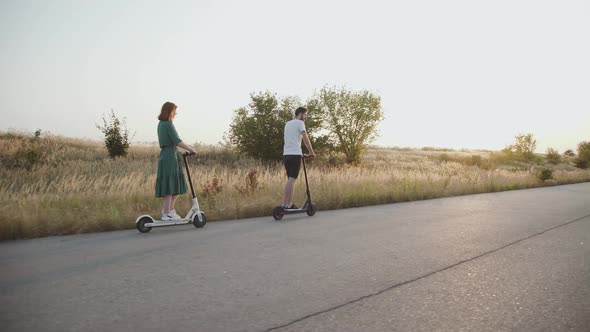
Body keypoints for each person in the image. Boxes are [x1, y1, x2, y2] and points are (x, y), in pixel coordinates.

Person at [154, 101, 197, 221]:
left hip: (168, 154)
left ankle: (170, 211)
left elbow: (171, 143)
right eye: (174, 111)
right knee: (170, 185)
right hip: (169, 158)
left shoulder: (161, 124)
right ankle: (166, 213)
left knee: (175, 184)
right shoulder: (168, 124)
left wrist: (181, 152)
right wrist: (191, 149)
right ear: (169, 111)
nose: (175, 113)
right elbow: (177, 140)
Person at [282, 106, 315, 209]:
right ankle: (288, 205)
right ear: (300, 114)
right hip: (295, 154)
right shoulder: (300, 123)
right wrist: (311, 152)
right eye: (305, 115)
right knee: (292, 180)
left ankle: (285, 204)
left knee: (290, 180)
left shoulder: (288, 123)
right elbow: (305, 139)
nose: (305, 117)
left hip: (286, 155)